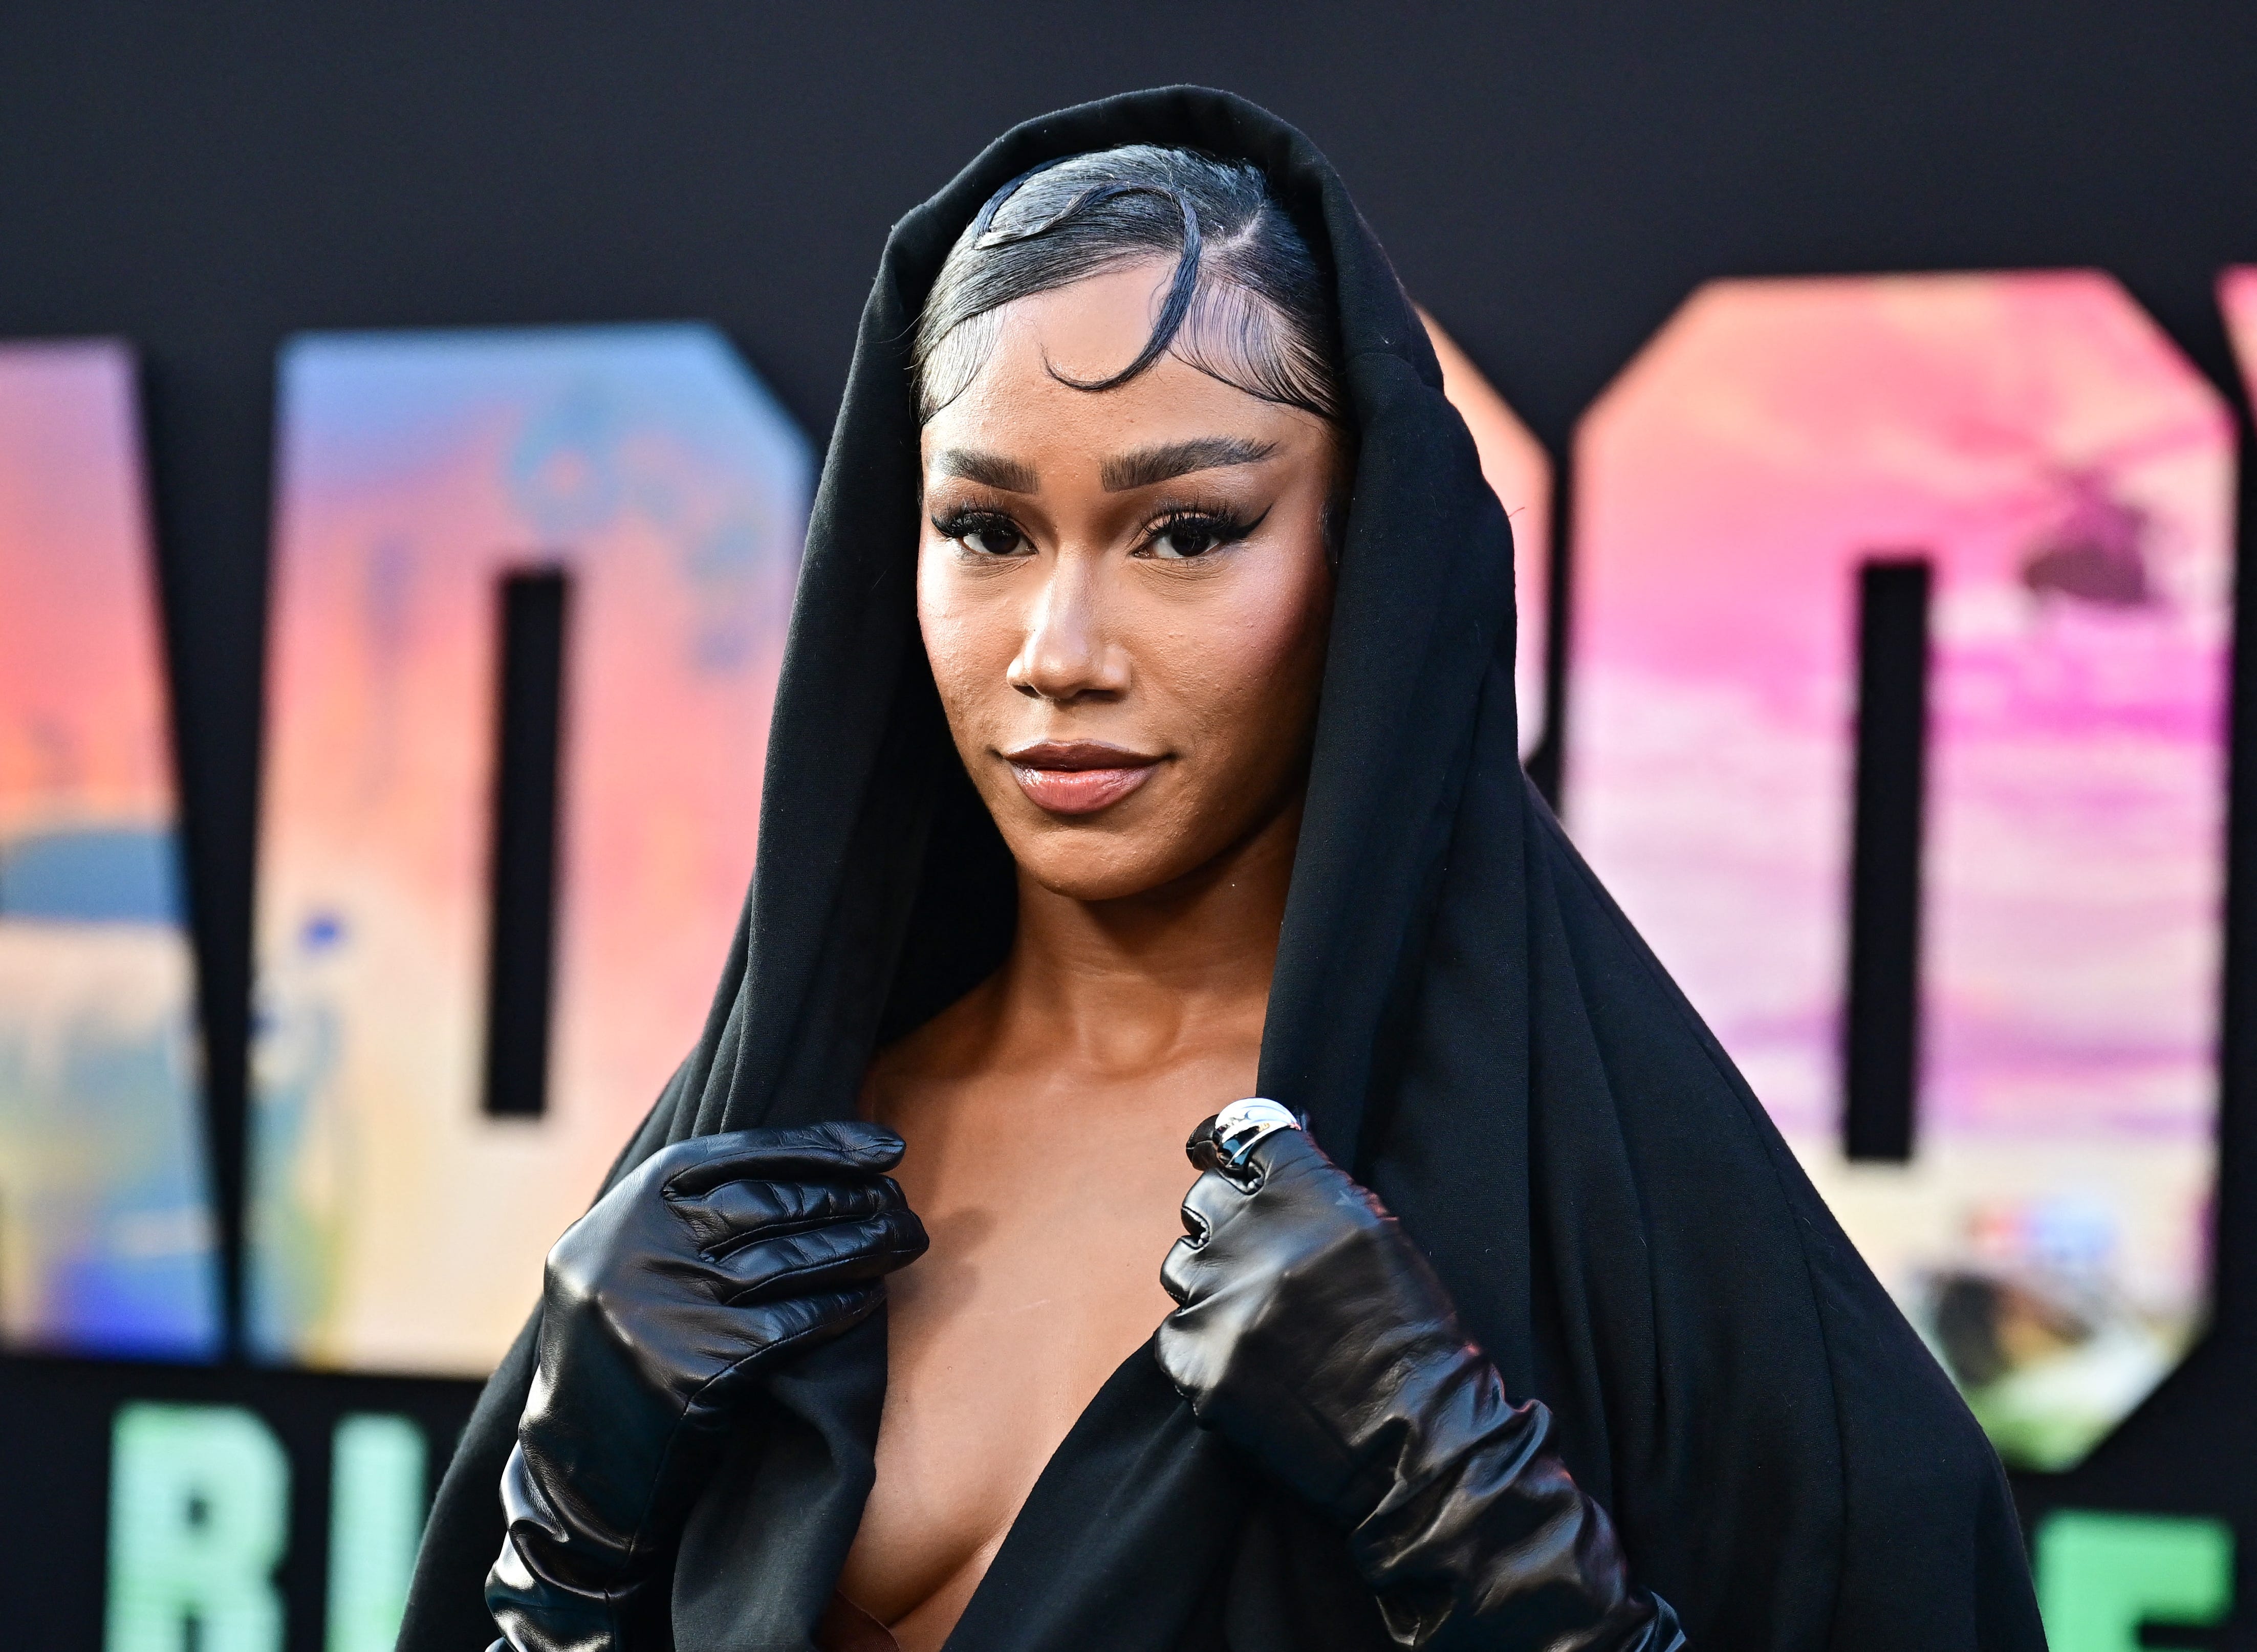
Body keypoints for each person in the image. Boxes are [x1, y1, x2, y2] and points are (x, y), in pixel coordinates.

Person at [399, 89, 2046, 1652]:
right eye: (984, 530)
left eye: (1185, 531)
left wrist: (1474, 1523)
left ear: (1367, 553)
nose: (1058, 650)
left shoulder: (1597, 1203)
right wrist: (566, 1556)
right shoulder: (750, 1173)